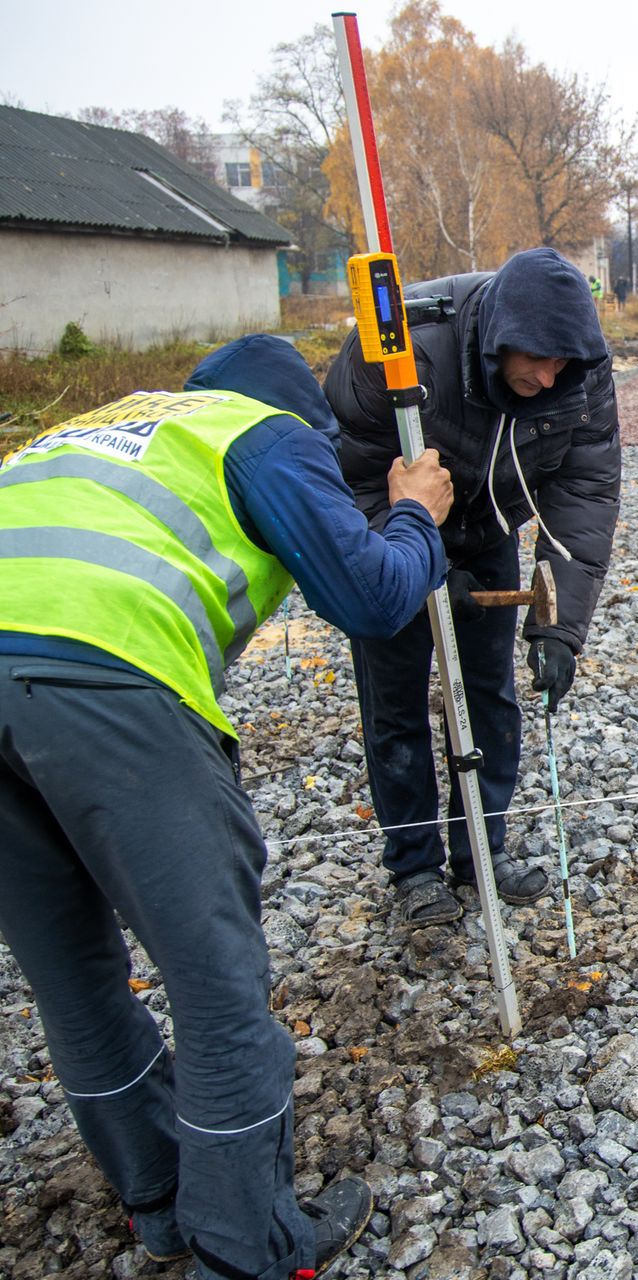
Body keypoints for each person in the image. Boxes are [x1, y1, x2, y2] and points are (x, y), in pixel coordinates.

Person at [0, 336, 452, 1278]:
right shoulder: (262, 434)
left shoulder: (91, 426)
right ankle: (248, 1247)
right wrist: (415, 517)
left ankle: (160, 1201)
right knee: (216, 986)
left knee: (74, 977)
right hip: (101, 681)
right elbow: (373, 599)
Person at [325, 247, 620, 928]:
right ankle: (415, 871)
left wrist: (559, 630)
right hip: (387, 535)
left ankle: (479, 854)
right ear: (497, 341)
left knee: (490, 692)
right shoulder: (402, 349)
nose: (548, 378)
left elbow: (584, 489)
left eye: (562, 365)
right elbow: (343, 475)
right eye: (535, 360)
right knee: (395, 704)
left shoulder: (580, 372)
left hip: (488, 531)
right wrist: (410, 550)